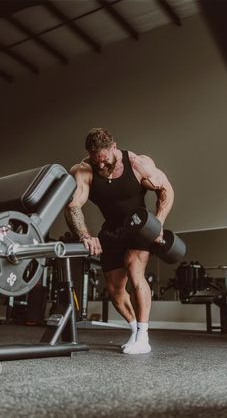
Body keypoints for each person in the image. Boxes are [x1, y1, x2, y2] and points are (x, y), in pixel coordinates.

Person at [65, 127, 174, 354]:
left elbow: (166, 190)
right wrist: (85, 235)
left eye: (105, 160)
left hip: (139, 227)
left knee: (135, 271)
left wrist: (158, 223)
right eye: (97, 162)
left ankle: (144, 337)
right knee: (115, 291)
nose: (101, 166)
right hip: (112, 231)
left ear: (114, 148)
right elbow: (73, 206)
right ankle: (135, 329)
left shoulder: (137, 164)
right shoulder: (84, 170)